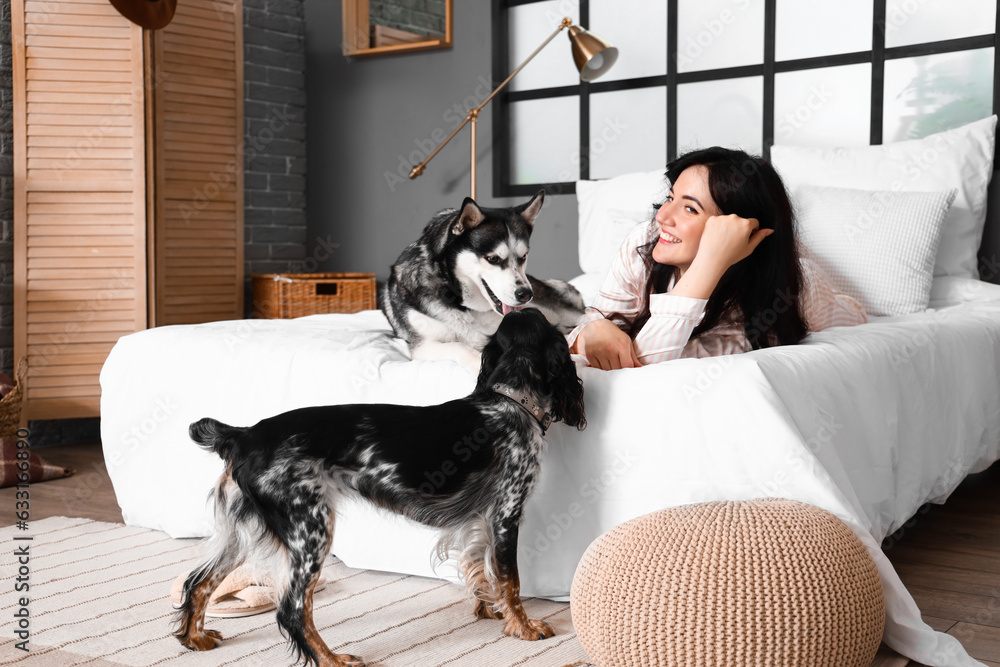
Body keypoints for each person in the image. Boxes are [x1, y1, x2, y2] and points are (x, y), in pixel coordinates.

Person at [567, 146, 866, 370]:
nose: (662, 216)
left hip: (823, 300)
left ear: (737, 232)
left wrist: (709, 262)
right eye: (671, 198)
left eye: (690, 209)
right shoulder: (644, 243)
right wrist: (589, 332)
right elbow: (595, 328)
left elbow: (648, 368)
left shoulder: (768, 305)